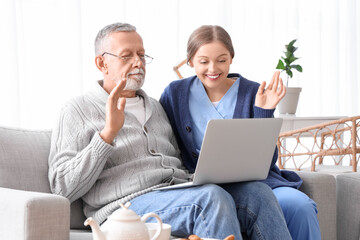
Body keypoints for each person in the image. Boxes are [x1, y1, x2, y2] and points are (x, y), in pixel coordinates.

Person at [48, 22, 292, 239]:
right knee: (210, 200)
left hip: (178, 193)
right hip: (123, 207)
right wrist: (107, 134)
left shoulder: (156, 106)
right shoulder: (77, 110)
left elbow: (180, 159)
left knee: (258, 194)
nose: (138, 62)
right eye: (127, 56)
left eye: (142, 55)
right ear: (102, 63)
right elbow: (62, 188)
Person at [160, 25, 321, 240]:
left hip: (259, 185)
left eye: (221, 60)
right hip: (204, 190)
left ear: (232, 58)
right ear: (190, 61)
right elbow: (163, 140)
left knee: (300, 206)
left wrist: (265, 112)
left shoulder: (253, 92)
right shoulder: (175, 93)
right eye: (203, 61)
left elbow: (267, 160)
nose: (213, 69)